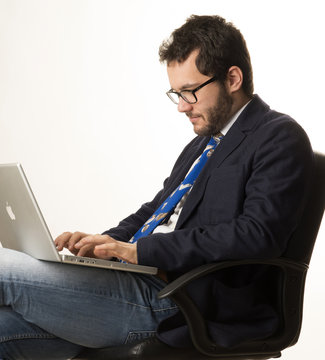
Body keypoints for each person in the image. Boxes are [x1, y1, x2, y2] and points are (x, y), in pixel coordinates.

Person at [0, 14, 313, 359]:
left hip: (179, 300)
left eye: (190, 92)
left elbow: (256, 233)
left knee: (4, 269)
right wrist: (103, 245)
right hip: (135, 283)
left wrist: (142, 252)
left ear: (233, 78)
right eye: (176, 94)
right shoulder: (205, 143)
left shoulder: (278, 136)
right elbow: (156, 211)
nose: (181, 106)